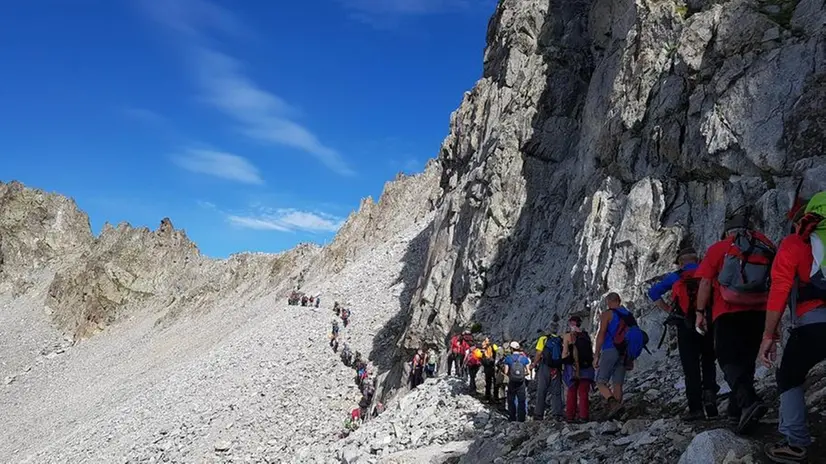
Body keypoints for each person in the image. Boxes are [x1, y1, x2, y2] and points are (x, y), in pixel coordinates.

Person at [760, 192, 826, 463]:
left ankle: (795, 442)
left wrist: (769, 334)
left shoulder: (795, 243)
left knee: (789, 376)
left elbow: (779, 291)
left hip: (812, 324)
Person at [695, 213, 776, 434]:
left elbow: (704, 283)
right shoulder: (766, 244)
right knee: (747, 360)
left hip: (727, 312)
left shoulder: (720, 247)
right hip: (760, 310)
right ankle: (735, 411)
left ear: (727, 231)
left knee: (728, 359)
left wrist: (700, 312)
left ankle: (748, 401)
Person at [648, 246, 720, 421]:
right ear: (697, 259)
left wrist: (669, 310)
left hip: (684, 325)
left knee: (691, 367)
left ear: (680, 263)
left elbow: (653, 292)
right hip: (707, 323)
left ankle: (695, 409)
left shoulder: (676, 277)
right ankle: (710, 400)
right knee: (708, 360)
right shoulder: (707, 272)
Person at [594, 293, 632, 419]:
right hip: (624, 352)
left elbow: (601, 334)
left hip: (610, 349)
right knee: (617, 384)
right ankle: (618, 415)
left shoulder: (607, 314)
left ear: (608, 302)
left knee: (600, 382)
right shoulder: (627, 314)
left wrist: (596, 354)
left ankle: (613, 403)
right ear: (619, 300)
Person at [561, 315, 595, 422]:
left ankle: (570, 416)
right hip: (586, 368)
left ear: (570, 323)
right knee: (583, 392)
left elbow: (565, 353)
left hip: (573, 368)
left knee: (572, 391)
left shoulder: (568, 336)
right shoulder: (585, 335)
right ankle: (584, 416)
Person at [533, 316, 564, 420]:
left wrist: (534, 364)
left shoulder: (543, 339)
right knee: (556, 391)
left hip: (545, 366)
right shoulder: (560, 340)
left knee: (542, 390)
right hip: (557, 367)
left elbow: (539, 353)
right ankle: (557, 414)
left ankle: (538, 414)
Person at [504, 341, 531, 422]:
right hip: (521, 382)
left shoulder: (508, 358)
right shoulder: (524, 358)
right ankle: (521, 418)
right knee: (521, 400)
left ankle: (512, 417)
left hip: (512, 382)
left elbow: (506, 372)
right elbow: (528, 372)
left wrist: (511, 375)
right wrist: (522, 375)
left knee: (511, 399)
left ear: (511, 349)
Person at [480, 338, 499, 402]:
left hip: (489, 367)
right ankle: (495, 397)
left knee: (489, 383)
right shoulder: (493, 347)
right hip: (494, 367)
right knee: (494, 383)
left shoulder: (486, 350)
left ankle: (488, 397)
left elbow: (484, 360)